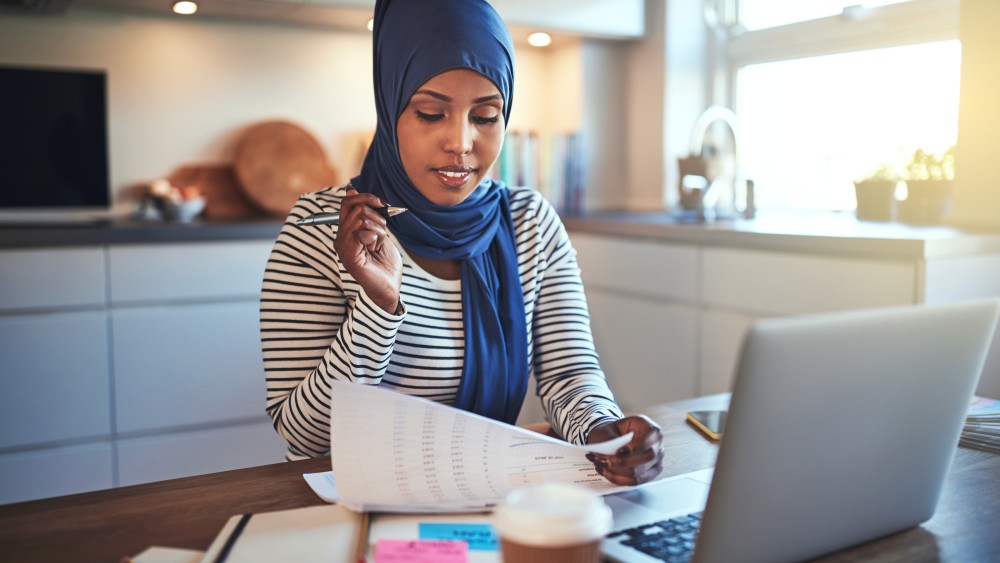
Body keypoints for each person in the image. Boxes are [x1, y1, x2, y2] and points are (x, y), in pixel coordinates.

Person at [259, 0, 664, 486]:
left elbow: (569, 376)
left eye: (487, 116)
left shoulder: (529, 221)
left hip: (485, 491)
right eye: (430, 113)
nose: (461, 141)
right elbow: (305, 438)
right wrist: (377, 307)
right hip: (348, 503)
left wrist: (604, 433)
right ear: (390, 108)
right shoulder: (320, 228)